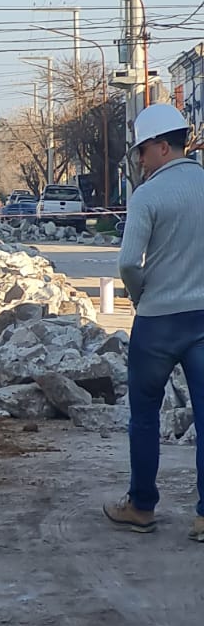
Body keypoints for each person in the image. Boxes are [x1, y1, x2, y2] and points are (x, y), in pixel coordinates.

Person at [104, 104, 204, 539]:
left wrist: (140, 294)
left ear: (163, 146)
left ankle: (142, 506)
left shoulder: (147, 196)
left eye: (144, 150)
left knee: (144, 416)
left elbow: (129, 262)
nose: (141, 160)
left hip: (158, 321)